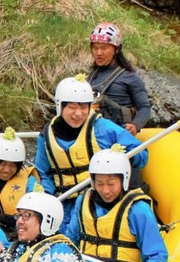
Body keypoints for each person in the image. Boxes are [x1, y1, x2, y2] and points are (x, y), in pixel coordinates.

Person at [34, 75, 148, 233]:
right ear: (60, 106)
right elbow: (43, 173)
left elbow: (142, 155)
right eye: (72, 107)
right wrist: (46, 197)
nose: (78, 114)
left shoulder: (103, 128)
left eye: (83, 107)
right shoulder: (46, 136)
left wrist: (128, 156)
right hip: (66, 202)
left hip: (100, 200)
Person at [66, 149, 168, 262]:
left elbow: (157, 254)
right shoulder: (83, 201)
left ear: (124, 179)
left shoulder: (138, 209)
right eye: (99, 183)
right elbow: (70, 240)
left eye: (111, 184)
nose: (105, 190)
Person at [0, 192, 85, 262]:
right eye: (19, 215)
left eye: (26, 216)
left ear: (46, 221)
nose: (19, 221)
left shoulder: (61, 253)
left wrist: (0, 257)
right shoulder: (20, 248)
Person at [85, 22, 152, 136]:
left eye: (104, 48)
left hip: (118, 134)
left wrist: (135, 125)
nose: (99, 53)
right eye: (95, 48)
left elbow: (144, 108)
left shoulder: (130, 78)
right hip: (92, 132)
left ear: (116, 49)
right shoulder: (90, 77)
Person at [0, 128, 42, 241]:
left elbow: (36, 218)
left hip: (25, 236)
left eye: (13, 165)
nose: (7, 170)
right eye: (2, 164)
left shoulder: (30, 182)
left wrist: (0, 217)